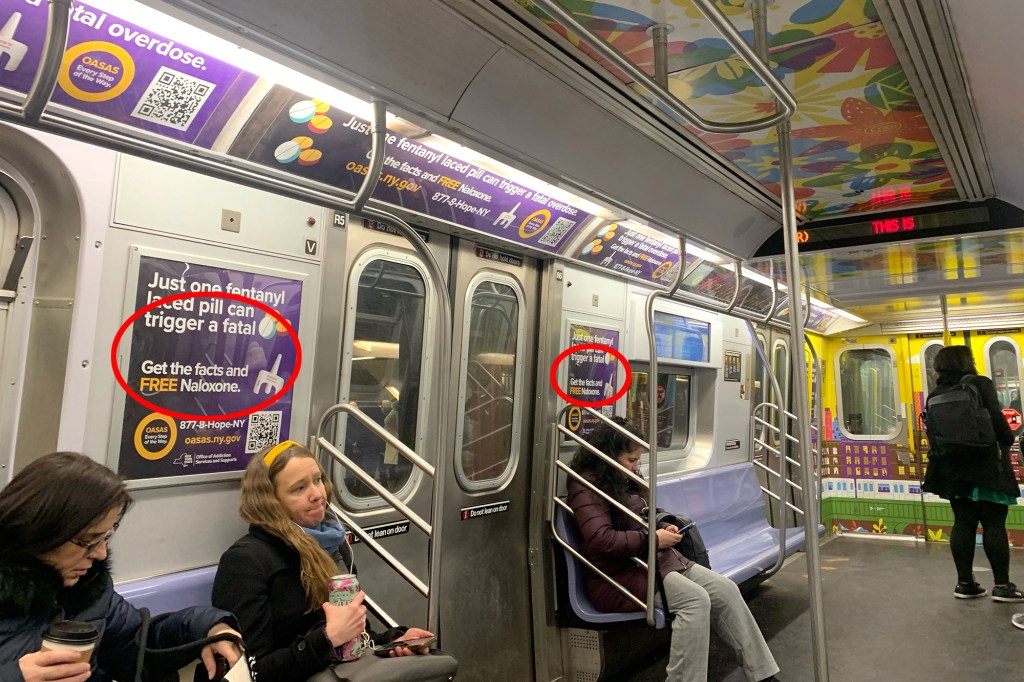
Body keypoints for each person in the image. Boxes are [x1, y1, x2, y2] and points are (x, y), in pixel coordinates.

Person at [568, 417, 781, 682]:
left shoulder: (624, 478)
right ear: (608, 456)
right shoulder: (586, 486)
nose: (636, 468)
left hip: (653, 561)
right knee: (695, 601)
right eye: (631, 460)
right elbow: (602, 539)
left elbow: (645, 512)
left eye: (638, 461)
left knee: (725, 590)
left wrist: (663, 525)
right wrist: (653, 540)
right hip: (616, 576)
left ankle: (763, 675)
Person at [0, 452, 241, 682]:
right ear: (39, 531)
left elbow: (136, 645)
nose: (101, 554)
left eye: (104, 538)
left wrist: (206, 628)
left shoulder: (88, 590)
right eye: (88, 541)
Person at [212, 441, 435, 682]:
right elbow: (250, 673)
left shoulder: (335, 546)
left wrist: (392, 641)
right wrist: (327, 638)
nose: (317, 494)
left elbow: (354, 639)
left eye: (317, 480)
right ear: (271, 502)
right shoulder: (246, 562)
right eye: (299, 489)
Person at [922, 345, 1024, 602]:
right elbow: (997, 420)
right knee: (993, 524)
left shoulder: (936, 393)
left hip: (953, 470)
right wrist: (1008, 438)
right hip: (987, 465)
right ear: (967, 362)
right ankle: (1002, 585)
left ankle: (965, 583)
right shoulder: (979, 384)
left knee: (963, 523)